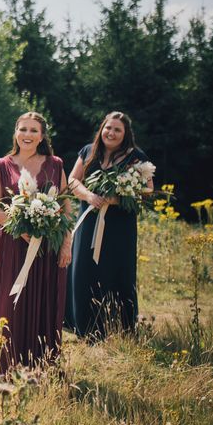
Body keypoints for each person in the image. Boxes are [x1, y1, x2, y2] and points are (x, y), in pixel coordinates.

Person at [0, 112, 72, 371]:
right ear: (15, 133)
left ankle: (41, 364)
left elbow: (66, 208)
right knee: (10, 302)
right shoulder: (2, 164)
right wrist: (19, 228)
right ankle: (7, 362)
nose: (27, 135)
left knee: (44, 299)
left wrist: (66, 244)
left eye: (34, 130)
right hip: (12, 244)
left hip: (48, 246)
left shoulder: (55, 164)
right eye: (23, 129)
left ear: (42, 136)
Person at [65, 111, 152, 338]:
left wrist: (118, 198)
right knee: (83, 268)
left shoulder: (136, 157)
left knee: (116, 270)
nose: (111, 133)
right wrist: (88, 196)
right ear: (101, 128)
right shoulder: (89, 151)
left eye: (117, 130)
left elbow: (148, 189)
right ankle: (84, 327)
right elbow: (72, 180)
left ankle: (119, 327)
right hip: (89, 219)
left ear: (125, 134)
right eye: (108, 127)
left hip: (119, 226)